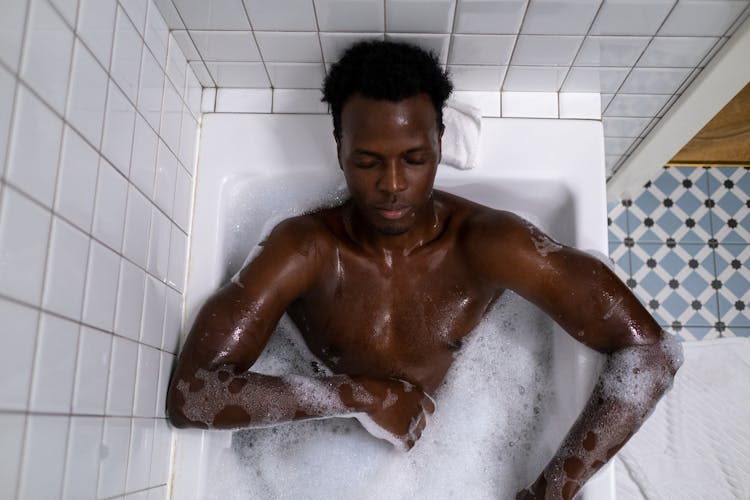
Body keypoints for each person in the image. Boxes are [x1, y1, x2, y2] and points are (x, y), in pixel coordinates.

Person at [167, 40, 682, 499]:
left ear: (440, 139)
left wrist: (552, 490)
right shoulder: (306, 250)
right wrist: (362, 395)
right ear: (339, 147)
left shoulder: (488, 244)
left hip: (454, 447)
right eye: (368, 161)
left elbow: (649, 352)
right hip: (316, 454)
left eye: (414, 158)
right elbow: (193, 395)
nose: (392, 184)